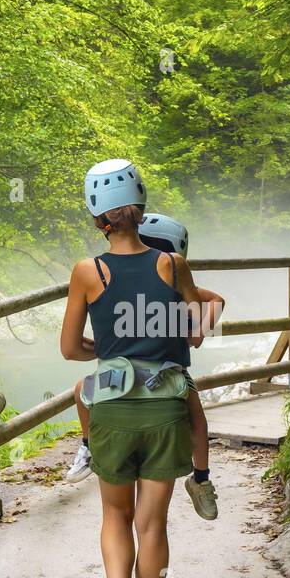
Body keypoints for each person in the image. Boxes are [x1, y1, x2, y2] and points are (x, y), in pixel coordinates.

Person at [60, 158, 204, 578]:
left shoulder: (87, 272)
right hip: (165, 409)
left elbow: (70, 350)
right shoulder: (172, 264)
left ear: (98, 219)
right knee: (151, 526)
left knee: (114, 516)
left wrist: (104, 349)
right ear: (141, 210)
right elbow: (196, 325)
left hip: (113, 411)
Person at [64, 212, 223, 522]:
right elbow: (216, 302)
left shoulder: (175, 280)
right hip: (124, 372)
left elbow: (214, 301)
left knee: (198, 421)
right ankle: (87, 446)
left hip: (168, 371)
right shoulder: (157, 273)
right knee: (82, 389)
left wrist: (197, 331)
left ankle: (201, 479)